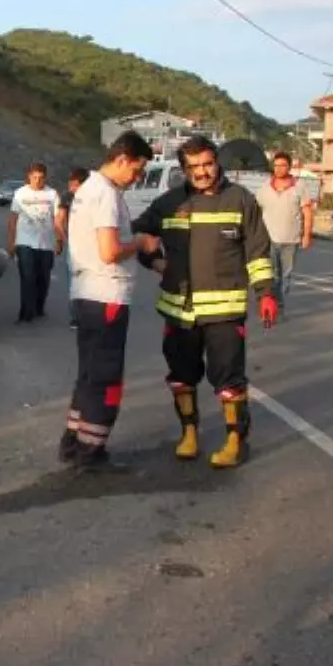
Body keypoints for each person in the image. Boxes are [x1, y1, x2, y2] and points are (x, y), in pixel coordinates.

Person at [132, 135, 279, 470]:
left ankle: (234, 442)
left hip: (224, 312)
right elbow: (139, 234)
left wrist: (266, 293)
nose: (202, 172)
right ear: (184, 170)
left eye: (207, 164)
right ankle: (189, 434)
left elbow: (258, 252)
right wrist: (155, 261)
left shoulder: (241, 200)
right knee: (182, 376)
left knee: (229, 379)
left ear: (217, 162)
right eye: (194, 167)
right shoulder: (168, 203)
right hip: (178, 311)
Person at [59, 131, 154, 468]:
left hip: (86, 295)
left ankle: (73, 441)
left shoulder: (87, 189)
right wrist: (140, 244)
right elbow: (110, 251)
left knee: (88, 373)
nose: (137, 178)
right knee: (105, 377)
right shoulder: (106, 194)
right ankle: (91, 450)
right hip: (107, 296)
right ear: (122, 159)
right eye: (137, 170)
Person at [254, 151, 313, 316]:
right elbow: (256, 212)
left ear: (289, 167)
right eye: (276, 165)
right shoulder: (265, 188)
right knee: (273, 275)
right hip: (269, 239)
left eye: (283, 165)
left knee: (285, 276)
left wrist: (307, 235)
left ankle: (278, 298)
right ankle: (277, 306)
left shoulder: (300, 186)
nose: (279, 168)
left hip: (291, 240)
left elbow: (307, 212)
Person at [6, 162, 60, 323]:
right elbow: (12, 220)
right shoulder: (20, 194)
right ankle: (25, 313)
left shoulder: (52, 194)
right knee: (27, 277)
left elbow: (58, 219)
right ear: (29, 177)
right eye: (34, 177)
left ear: (45, 178)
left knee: (43, 278)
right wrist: (11, 242)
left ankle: (38, 306)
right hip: (24, 242)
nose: (37, 181)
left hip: (46, 243)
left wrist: (59, 239)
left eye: (41, 178)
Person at [55, 167, 91, 330]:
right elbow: (59, 221)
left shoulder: (92, 197)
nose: (71, 186)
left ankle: (86, 315)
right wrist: (64, 239)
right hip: (75, 246)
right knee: (75, 281)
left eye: (74, 184)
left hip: (91, 244)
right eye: (70, 183)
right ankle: (76, 317)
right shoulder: (67, 197)